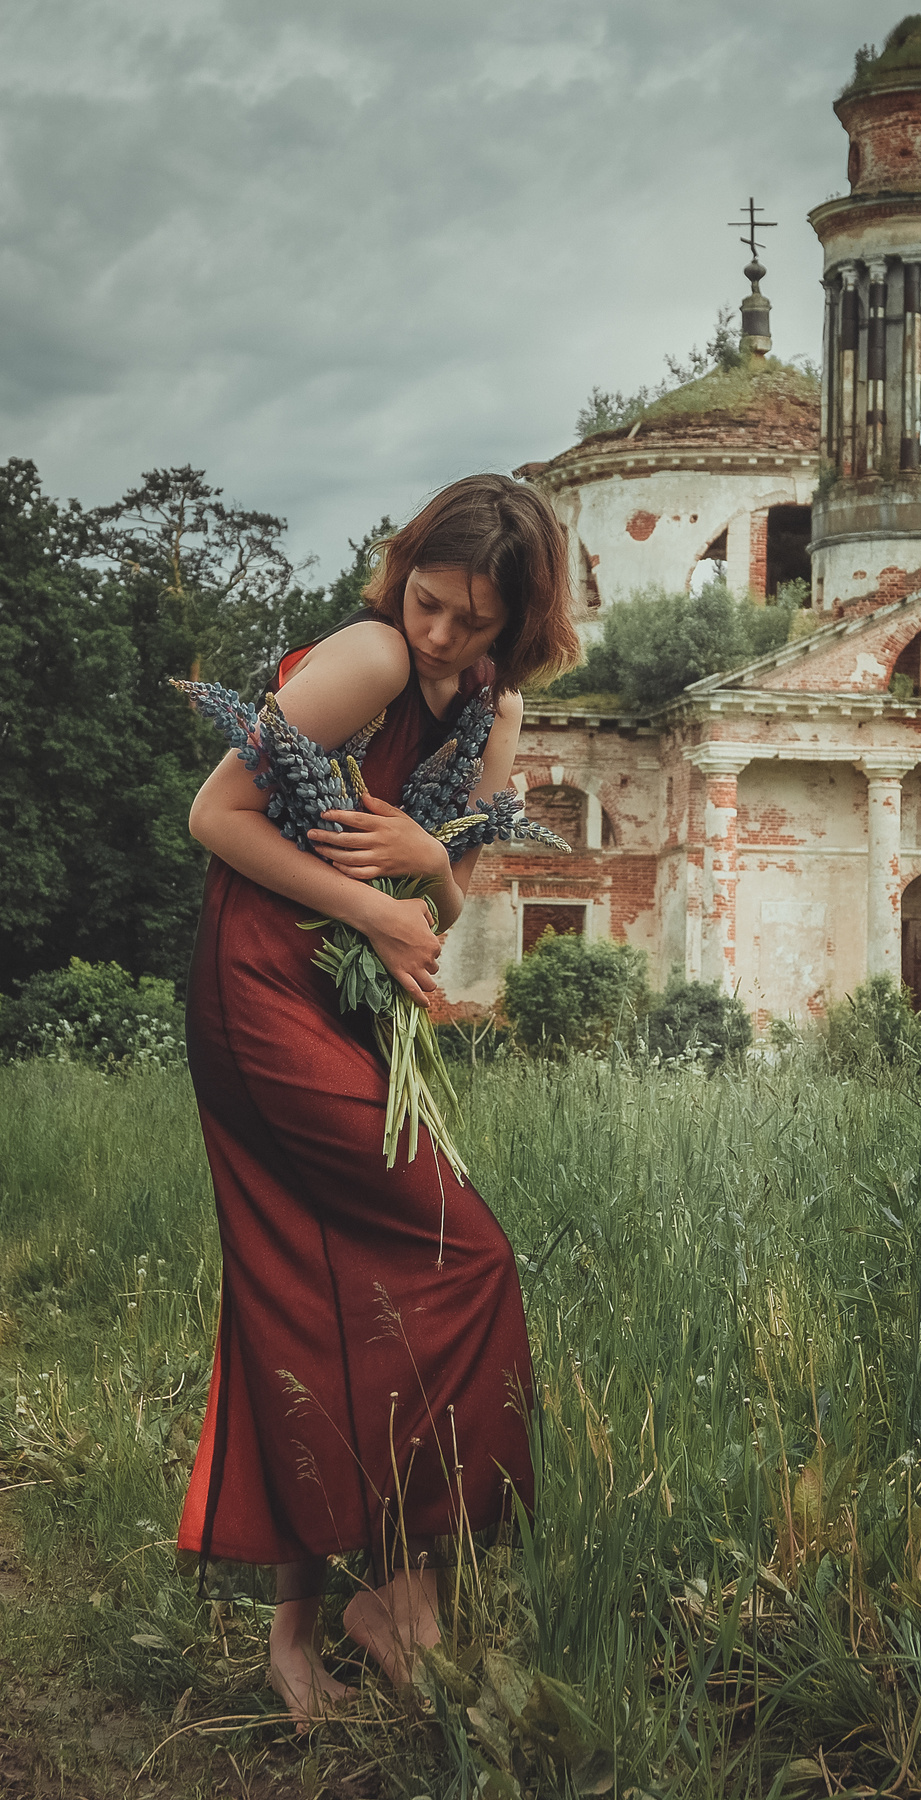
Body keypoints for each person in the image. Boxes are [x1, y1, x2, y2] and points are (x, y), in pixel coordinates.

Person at [177, 473, 579, 1727]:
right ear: (403, 574)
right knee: (462, 1255)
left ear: (519, 624)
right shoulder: (367, 656)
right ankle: (397, 1606)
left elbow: (448, 903)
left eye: (474, 621)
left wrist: (423, 861)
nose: (441, 636)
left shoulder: (495, 712)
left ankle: (317, 1632)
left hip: (354, 997)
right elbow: (214, 814)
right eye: (428, 601)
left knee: (322, 1286)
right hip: (261, 986)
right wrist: (371, 901)